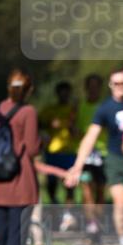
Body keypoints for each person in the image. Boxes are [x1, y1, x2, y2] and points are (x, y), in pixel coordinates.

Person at [65, 69, 123, 245]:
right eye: (116, 84)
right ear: (110, 85)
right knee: (119, 201)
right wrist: (77, 165)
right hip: (115, 158)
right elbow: (90, 138)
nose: (120, 87)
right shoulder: (105, 108)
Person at [0, 70, 41, 245]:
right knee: (17, 232)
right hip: (20, 181)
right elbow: (31, 148)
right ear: (29, 89)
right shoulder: (28, 112)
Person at [38, 80, 77, 229]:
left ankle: (68, 216)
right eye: (62, 92)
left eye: (67, 92)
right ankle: (56, 209)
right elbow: (38, 124)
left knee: (70, 186)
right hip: (52, 153)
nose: (64, 95)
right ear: (58, 94)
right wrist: (48, 125)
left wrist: (72, 125)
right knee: (51, 186)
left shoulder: (73, 110)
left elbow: (77, 129)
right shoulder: (49, 110)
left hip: (69, 153)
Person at [75, 73, 107, 237]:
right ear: (86, 88)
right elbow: (76, 129)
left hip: (103, 154)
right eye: (91, 86)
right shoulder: (81, 106)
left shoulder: (104, 106)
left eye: (96, 86)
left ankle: (98, 222)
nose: (93, 89)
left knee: (101, 192)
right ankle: (91, 224)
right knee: (87, 191)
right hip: (86, 156)